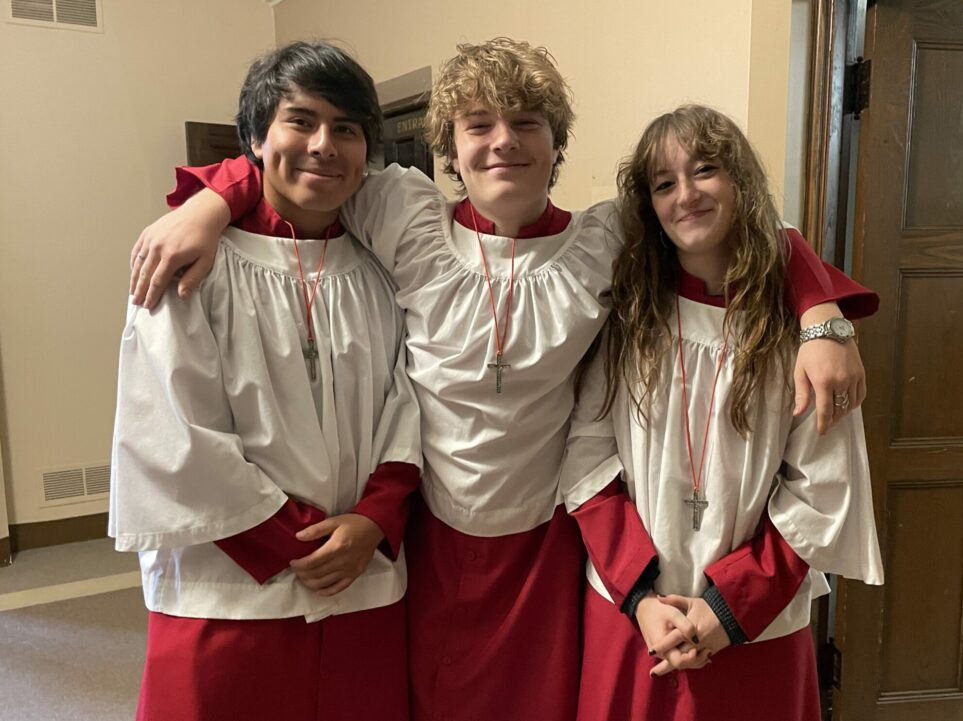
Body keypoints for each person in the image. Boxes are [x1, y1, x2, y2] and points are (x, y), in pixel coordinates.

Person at [126, 39, 876, 721]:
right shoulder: (404, 216)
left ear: (556, 145)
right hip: (426, 538)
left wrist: (820, 314)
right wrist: (213, 199)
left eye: (526, 122)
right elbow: (301, 171)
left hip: (545, 549)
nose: (503, 142)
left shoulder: (603, 239)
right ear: (448, 147)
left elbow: (736, 222)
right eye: (478, 124)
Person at [109, 41, 421, 721]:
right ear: (255, 136)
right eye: (300, 121)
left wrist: (375, 519)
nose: (323, 145)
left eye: (345, 129)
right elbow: (171, 429)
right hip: (230, 590)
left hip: (362, 582)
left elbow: (407, 401)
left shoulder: (376, 270)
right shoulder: (190, 262)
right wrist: (294, 542)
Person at [559, 104, 884, 721]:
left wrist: (726, 609)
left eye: (705, 169)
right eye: (663, 183)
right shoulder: (628, 319)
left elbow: (822, 490)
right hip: (635, 617)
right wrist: (644, 598)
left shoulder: (803, 336)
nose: (686, 194)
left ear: (740, 182)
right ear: (648, 206)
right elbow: (586, 460)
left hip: (754, 623)